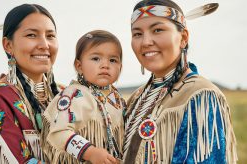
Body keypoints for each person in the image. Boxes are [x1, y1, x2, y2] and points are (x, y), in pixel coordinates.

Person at [122, 0, 237, 163]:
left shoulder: (201, 97)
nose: (146, 42)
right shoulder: (137, 97)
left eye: (157, 30)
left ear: (183, 38)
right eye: (137, 34)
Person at [0, 4, 63, 164]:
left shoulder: (68, 94)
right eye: (32, 35)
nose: (45, 44)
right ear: (8, 45)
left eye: (50, 36)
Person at [40, 30, 125, 164]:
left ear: (120, 67)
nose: (105, 65)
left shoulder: (118, 98)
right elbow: (58, 133)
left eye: (113, 60)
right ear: (79, 66)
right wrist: (89, 152)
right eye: (96, 58)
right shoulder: (74, 95)